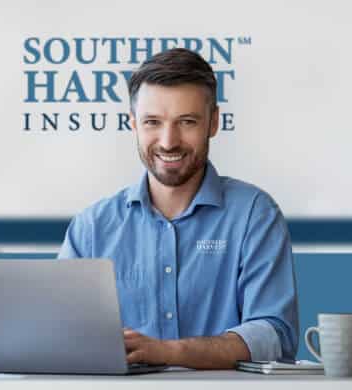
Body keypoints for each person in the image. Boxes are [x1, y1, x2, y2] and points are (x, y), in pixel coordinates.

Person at [58, 48, 298, 369]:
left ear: (214, 122)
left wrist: (169, 352)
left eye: (186, 122)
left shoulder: (255, 215)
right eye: (152, 122)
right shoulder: (91, 228)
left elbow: (274, 335)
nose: (168, 141)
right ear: (133, 124)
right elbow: (60, 335)